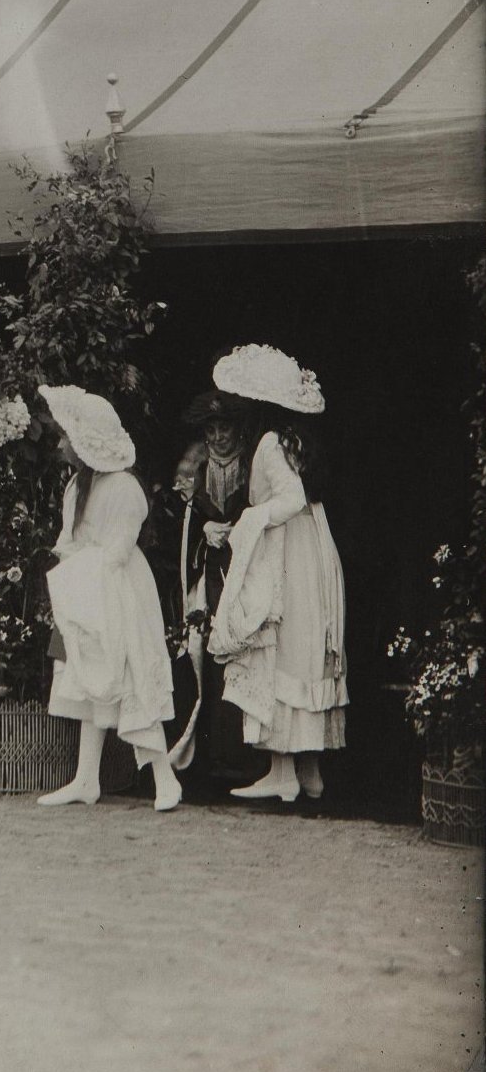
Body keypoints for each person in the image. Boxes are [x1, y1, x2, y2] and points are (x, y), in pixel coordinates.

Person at [206, 344, 347, 802]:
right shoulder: (300, 439)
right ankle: (310, 770)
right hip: (313, 546)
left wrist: (250, 519)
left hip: (289, 549)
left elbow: (288, 500)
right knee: (307, 649)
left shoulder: (269, 442)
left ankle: (283, 770)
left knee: (283, 648)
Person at [34, 384, 182, 813]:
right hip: (85, 590)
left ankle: (165, 777)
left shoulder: (124, 489)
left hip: (118, 588)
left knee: (132, 675)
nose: (61, 444)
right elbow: (69, 540)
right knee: (85, 675)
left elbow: (117, 551)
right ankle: (86, 778)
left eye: (67, 437)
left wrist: (83, 569)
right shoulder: (76, 487)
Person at [166, 389, 254, 784]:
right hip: (206, 571)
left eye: (226, 429)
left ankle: (241, 755)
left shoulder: (253, 464)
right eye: (212, 430)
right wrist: (201, 527)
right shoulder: (193, 464)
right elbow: (172, 519)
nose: (219, 438)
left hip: (244, 569)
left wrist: (240, 530)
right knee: (203, 651)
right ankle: (206, 755)